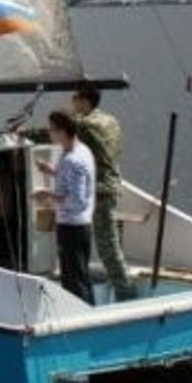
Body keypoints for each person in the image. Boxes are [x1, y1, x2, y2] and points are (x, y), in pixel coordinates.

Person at [23, 85, 133, 301]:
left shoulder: (86, 124)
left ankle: (126, 294)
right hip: (108, 185)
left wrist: (23, 133)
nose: (71, 102)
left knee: (107, 248)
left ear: (84, 100)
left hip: (98, 190)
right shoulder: (110, 120)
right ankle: (113, 291)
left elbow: (54, 132)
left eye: (73, 98)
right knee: (103, 246)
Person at [33, 110, 95, 304]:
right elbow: (75, 184)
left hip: (72, 228)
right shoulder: (82, 150)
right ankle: (91, 316)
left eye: (51, 129)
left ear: (63, 131)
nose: (49, 133)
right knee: (82, 278)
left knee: (73, 282)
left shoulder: (71, 160)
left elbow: (76, 201)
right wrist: (52, 172)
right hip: (82, 225)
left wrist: (47, 195)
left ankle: (81, 322)